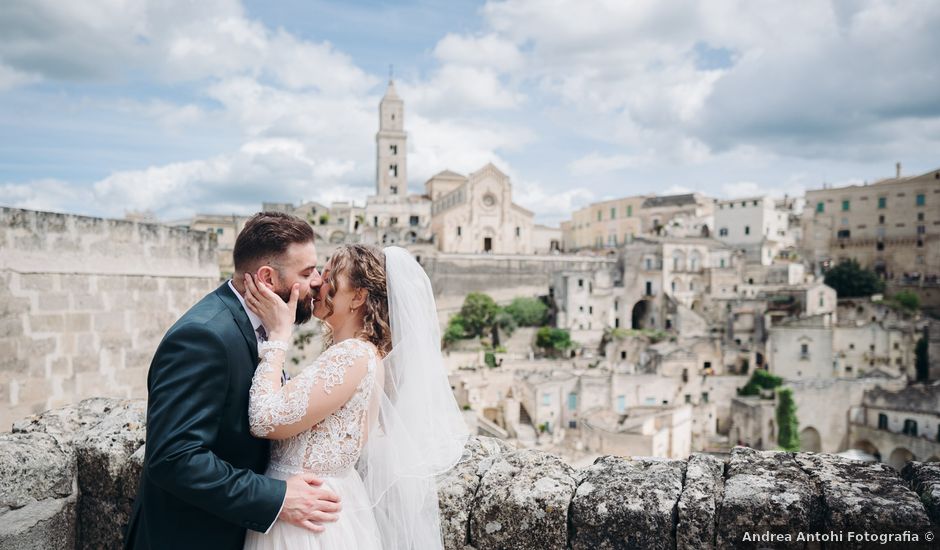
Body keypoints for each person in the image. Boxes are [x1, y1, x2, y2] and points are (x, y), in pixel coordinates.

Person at [125, 212, 342, 550]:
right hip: (192, 538)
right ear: (267, 278)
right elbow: (174, 457)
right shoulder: (204, 336)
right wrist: (277, 497)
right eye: (306, 272)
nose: (316, 281)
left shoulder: (263, 323)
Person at [242, 244, 468, 550]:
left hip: (308, 520)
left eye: (332, 274)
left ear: (359, 297)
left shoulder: (353, 355)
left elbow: (265, 420)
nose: (320, 282)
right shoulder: (360, 354)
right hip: (314, 507)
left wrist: (277, 338)